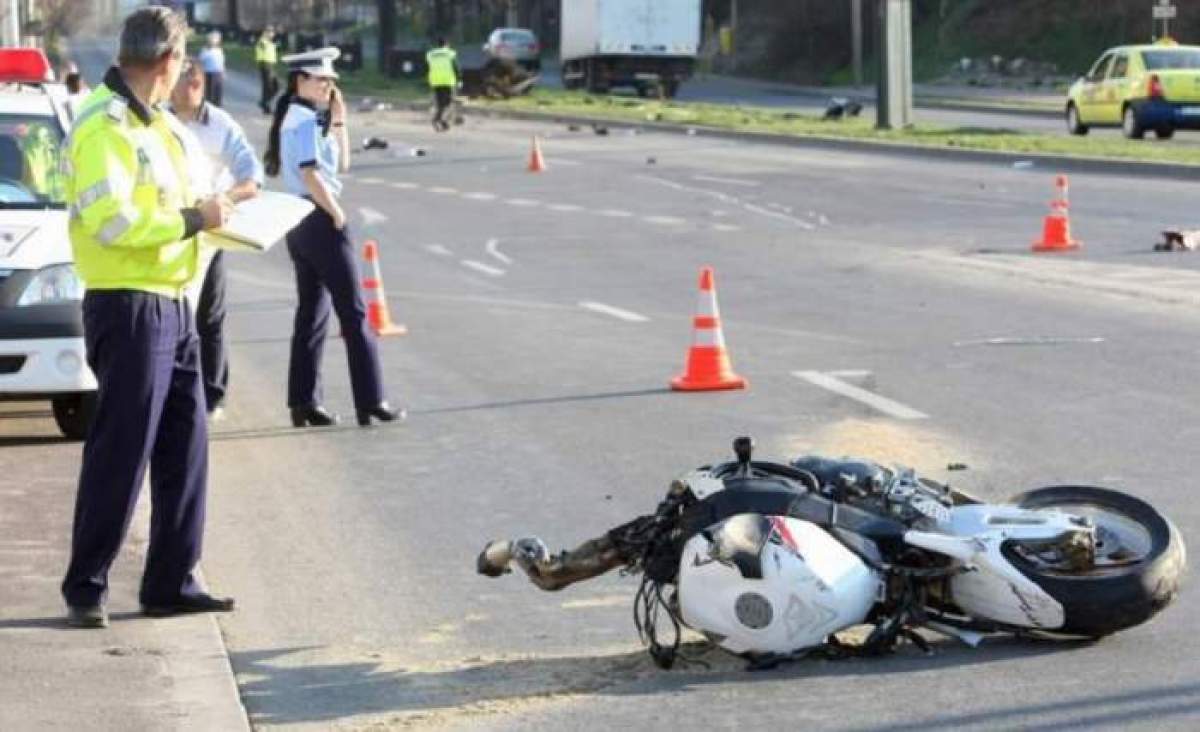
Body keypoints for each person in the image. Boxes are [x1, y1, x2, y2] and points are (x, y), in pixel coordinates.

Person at [60, 6, 235, 629]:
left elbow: (186, 197)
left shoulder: (159, 127)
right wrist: (195, 219)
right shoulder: (103, 128)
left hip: (173, 302)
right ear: (166, 62)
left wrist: (219, 210)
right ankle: (86, 584)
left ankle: (171, 580)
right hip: (128, 304)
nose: (182, 73)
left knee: (186, 446)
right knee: (121, 450)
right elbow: (113, 222)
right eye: (181, 62)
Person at [263, 47, 402, 428]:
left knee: (313, 313)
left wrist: (340, 122)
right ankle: (371, 398)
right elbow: (311, 173)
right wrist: (336, 212)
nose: (328, 85)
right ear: (300, 81)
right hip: (319, 218)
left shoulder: (301, 117)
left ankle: (303, 401)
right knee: (354, 312)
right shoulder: (304, 121)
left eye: (331, 80)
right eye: (320, 79)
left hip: (299, 221)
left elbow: (341, 164)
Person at [170, 59, 265, 420]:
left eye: (196, 82)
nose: (191, 87)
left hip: (208, 233)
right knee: (172, 315)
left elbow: (251, 176)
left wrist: (225, 199)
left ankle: (212, 395)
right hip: (169, 230)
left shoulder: (221, 125)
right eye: (184, 80)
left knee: (209, 316)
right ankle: (173, 391)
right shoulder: (157, 122)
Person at [425, 37, 459, 132]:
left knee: (440, 103)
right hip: (447, 81)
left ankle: (441, 121)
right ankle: (438, 119)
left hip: (435, 81)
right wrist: (459, 79)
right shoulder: (450, 53)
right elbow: (455, 67)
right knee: (447, 103)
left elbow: (428, 67)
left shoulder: (430, 54)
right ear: (446, 44)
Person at [197, 30, 225, 107]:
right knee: (209, 95)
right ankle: (208, 109)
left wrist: (223, 73)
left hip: (218, 74)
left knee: (218, 95)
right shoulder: (205, 50)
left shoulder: (219, 50)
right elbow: (200, 62)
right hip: (209, 74)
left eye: (216, 39)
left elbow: (221, 63)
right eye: (212, 39)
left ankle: (218, 109)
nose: (214, 41)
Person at [255, 25, 278, 114]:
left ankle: (264, 102)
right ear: (265, 33)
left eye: (272, 32)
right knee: (268, 87)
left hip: (271, 65)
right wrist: (265, 36)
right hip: (265, 65)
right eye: (270, 32)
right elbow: (262, 46)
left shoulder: (269, 42)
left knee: (274, 86)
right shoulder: (263, 41)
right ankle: (265, 106)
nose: (272, 34)